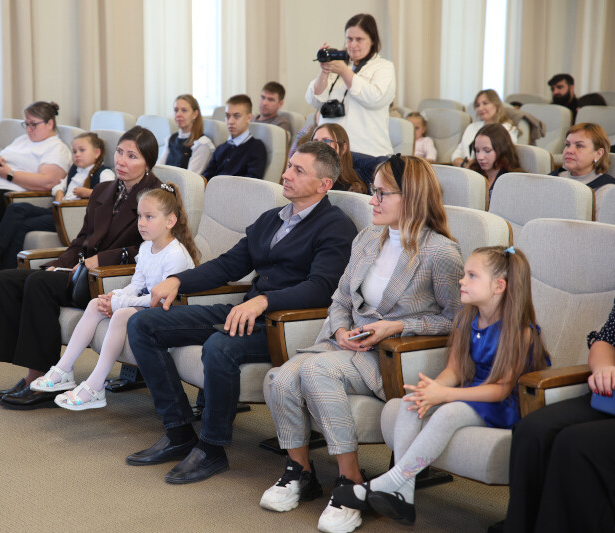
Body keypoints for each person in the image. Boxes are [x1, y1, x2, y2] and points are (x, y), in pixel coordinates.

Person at [125, 141, 356, 485]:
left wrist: (264, 302)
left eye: (298, 170)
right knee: (143, 323)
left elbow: (322, 287)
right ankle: (178, 432)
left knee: (220, 346)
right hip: (244, 312)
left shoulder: (336, 226)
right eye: (289, 166)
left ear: (324, 184)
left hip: (286, 325)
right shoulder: (271, 219)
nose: (286, 174)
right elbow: (228, 265)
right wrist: (178, 280)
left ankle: (212, 448)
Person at [261, 155, 463, 533]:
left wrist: (397, 326)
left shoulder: (440, 253)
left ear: (412, 196)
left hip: (391, 358)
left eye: (383, 193)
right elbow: (340, 298)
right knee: (278, 379)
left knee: (315, 371)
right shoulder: (369, 237)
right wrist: (339, 330)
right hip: (347, 344)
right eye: (374, 191)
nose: (373, 200)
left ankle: (350, 483)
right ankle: (300, 473)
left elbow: (458, 321)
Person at [334, 246, 548, 527]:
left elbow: (500, 390)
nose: (462, 280)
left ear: (499, 286)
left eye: (472, 276)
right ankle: (403, 496)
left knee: (449, 411)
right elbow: (455, 370)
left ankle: (390, 482)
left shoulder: (520, 332)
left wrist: (446, 395)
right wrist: (433, 389)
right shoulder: (466, 318)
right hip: (471, 392)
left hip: (504, 404)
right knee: (412, 401)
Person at [0, 126, 162, 411]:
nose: (122, 161)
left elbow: (156, 247)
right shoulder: (104, 190)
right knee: (6, 281)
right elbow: (82, 240)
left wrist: (104, 258)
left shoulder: (157, 196)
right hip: (82, 274)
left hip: (113, 281)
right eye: (120, 152)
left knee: (39, 285)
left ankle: (41, 378)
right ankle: (31, 370)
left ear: (148, 163)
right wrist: (57, 265)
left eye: (132, 156)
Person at [30, 184, 199, 410]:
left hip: (172, 312)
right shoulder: (146, 247)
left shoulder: (175, 255)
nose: (141, 223)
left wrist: (119, 303)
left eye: (149, 217)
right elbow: (137, 285)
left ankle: (95, 385)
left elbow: (157, 299)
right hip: (152, 307)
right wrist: (114, 295)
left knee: (121, 314)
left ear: (170, 221)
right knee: (95, 304)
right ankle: (63, 369)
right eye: (139, 216)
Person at [0, 132, 114, 305]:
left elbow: (110, 193)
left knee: (21, 226)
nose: (77, 155)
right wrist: (59, 193)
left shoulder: (104, 173)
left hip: (71, 218)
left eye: (82, 150)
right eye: (74, 151)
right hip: (57, 210)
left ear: (97, 152)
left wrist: (88, 193)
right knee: (16, 209)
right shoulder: (75, 170)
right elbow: (59, 185)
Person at [504, 299, 615, 533]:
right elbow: (605, 340)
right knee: (532, 431)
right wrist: (604, 369)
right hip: (609, 395)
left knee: (575, 443)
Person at [0, 101, 72, 294]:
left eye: (34, 124)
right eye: (26, 124)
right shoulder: (22, 140)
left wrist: (8, 174)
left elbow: (47, 181)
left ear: (50, 123)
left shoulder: (55, 148)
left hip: (14, 194)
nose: (29, 129)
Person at [306, 13, 396, 157]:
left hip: (367, 152)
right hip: (330, 152)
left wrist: (344, 72)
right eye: (349, 39)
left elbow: (375, 99)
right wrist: (324, 71)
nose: (353, 45)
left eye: (359, 39)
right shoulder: (338, 64)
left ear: (372, 40)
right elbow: (315, 100)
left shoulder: (384, 67)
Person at [549, 123, 614, 220]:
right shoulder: (552, 178)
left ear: (598, 154)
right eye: (567, 144)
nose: (569, 150)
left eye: (579, 146)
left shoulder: (606, 191)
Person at [202, 94, 267, 180]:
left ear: (249, 118)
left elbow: (252, 182)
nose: (230, 121)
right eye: (227, 116)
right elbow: (206, 177)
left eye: (236, 116)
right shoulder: (220, 148)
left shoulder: (256, 148)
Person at [452, 90, 519, 167]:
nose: (480, 108)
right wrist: (466, 165)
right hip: (468, 170)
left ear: (496, 104)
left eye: (485, 103)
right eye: (477, 105)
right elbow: (456, 155)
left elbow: (505, 157)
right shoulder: (471, 127)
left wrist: (474, 166)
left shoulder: (507, 128)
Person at [157, 94, 215, 175]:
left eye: (184, 110)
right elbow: (159, 169)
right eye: (176, 110)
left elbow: (191, 177)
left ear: (195, 114)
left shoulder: (202, 143)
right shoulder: (170, 139)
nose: (178, 114)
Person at [468, 123, 524, 203]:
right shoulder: (472, 175)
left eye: (487, 151)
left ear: (502, 150)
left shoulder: (514, 181)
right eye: (477, 151)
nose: (480, 157)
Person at [310, 123, 367, 193]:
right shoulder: (305, 177)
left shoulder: (353, 188)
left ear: (343, 148)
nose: (318, 146)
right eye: (315, 142)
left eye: (326, 141)